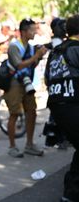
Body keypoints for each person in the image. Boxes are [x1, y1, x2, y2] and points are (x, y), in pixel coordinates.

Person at [45, 14, 79, 202]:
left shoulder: (56, 51)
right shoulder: (76, 49)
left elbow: (48, 79)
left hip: (58, 107)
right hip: (72, 105)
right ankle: (70, 194)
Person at [5, 18, 47, 158]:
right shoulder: (14, 47)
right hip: (14, 83)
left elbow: (30, 66)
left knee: (32, 112)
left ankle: (29, 144)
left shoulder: (30, 46)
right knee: (14, 114)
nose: (34, 32)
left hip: (27, 83)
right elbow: (19, 65)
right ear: (23, 32)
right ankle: (12, 146)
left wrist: (39, 57)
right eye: (31, 29)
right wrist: (36, 55)